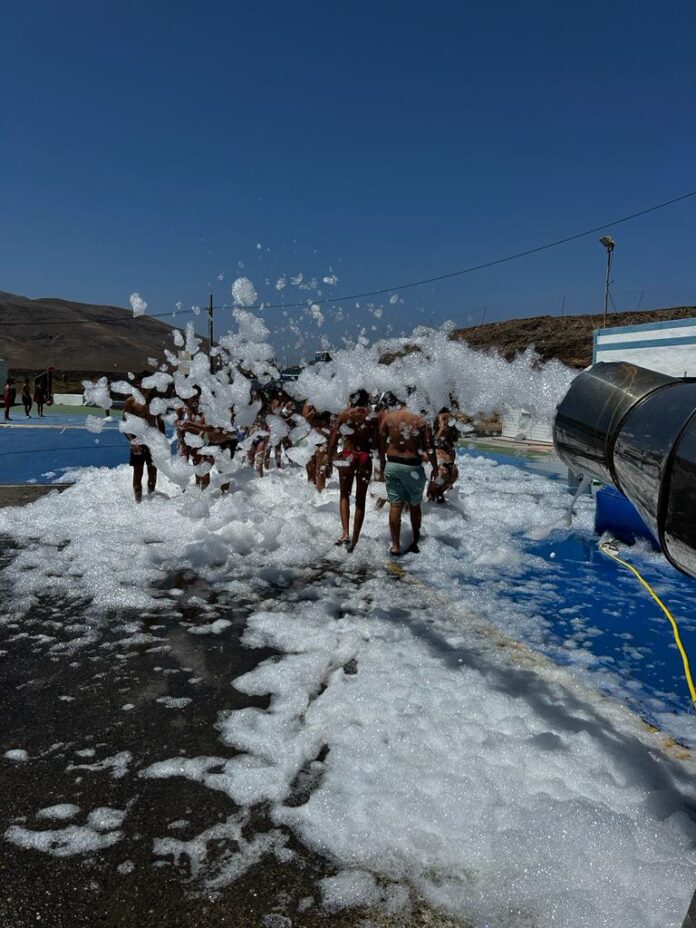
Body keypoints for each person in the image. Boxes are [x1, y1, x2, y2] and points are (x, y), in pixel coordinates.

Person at [326, 389, 383, 552]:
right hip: (364, 457)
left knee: (344, 495)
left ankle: (345, 534)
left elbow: (333, 441)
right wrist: (382, 461)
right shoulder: (372, 416)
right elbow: (376, 442)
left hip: (347, 456)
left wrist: (329, 461)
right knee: (360, 499)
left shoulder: (344, 415)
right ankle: (355, 539)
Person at [379, 395, 437, 555]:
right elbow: (429, 445)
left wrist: (382, 462)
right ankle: (415, 541)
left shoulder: (389, 417)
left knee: (395, 505)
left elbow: (381, 443)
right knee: (415, 505)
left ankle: (395, 546)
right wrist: (435, 466)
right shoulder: (421, 419)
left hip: (392, 465)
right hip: (413, 467)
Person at [123, 372, 166, 502]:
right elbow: (124, 425)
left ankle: (151, 499)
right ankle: (138, 502)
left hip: (153, 441)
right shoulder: (131, 401)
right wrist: (133, 442)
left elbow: (161, 423)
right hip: (138, 441)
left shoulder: (155, 402)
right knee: (138, 473)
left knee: (153, 472)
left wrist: (163, 442)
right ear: (139, 384)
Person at [427, 407, 460, 503]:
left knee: (454, 471)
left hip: (447, 470)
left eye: (448, 420)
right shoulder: (437, 437)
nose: (446, 423)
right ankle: (431, 499)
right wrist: (441, 427)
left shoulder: (449, 440)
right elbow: (433, 444)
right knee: (432, 494)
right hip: (438, 468)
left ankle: (439, 496)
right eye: (443, 420)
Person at [302, 400, 332, 493]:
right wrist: (314, 411)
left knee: (321, 470)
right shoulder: (309, 402)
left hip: (324, 438)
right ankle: (312, 495)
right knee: (311, 471)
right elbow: (305, 419)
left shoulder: (330, 400)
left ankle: (320, 494)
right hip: (310, 438)